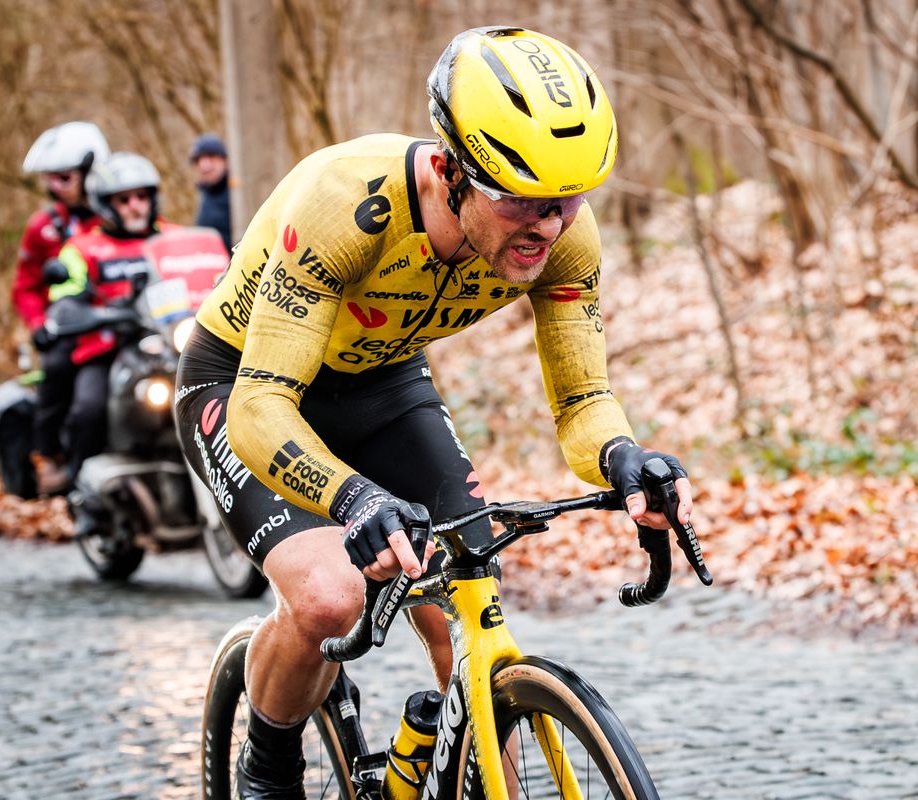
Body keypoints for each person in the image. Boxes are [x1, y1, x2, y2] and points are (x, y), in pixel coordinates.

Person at [173, 26, 694, 797]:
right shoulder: (345, 204)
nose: (548, 225)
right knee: (329, 599)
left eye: (567, 199)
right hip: (245, 382)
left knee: (472, 610)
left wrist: (625, 459)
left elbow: (583, 400)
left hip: (384, 382)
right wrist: (355, 499)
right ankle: (268, 764)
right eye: (521, 199)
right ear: (451, 169)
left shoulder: (565, 241)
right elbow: (261, 407)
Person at [46, 152, 174, 483]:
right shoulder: (82, 248)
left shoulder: (175, 238)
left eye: (141, 196)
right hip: (110, 350)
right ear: (104, 204)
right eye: (124, 199)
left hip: (173, 346)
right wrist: (106, 313)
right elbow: (63, 303)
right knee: (89, 409)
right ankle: (79, 487)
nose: (135, 206)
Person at [16, 121, 110, 493]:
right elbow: (25, 286)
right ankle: (49, 456)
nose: (54, 187)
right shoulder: (43, 226)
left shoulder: (118, 212)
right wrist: (38, 323)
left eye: (63, 178)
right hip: (69, 327)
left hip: (119, 321)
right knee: (55, 367)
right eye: (49, 179)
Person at [189, 132, 233, 252]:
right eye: (198, 160)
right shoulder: (205, 195)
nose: (204, 165)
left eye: (210, 156)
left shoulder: (237, 193)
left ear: (224, 160)